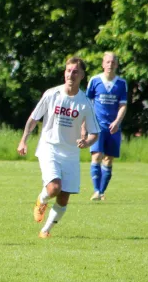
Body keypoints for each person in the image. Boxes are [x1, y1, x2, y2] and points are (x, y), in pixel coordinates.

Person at [17, 57, 100, 238]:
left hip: (70, 153)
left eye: (75, 71)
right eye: (68, 70)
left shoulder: (85, 103)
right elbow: (33, 118)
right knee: (54, 188)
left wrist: (87, 142)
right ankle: (42, 199)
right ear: (64, 72)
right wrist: (24, 140)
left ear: (82, 76)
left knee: (64, 197)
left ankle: (45, 231)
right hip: (49, 147)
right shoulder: (52, 94)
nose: (71, 74)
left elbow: (95, 133)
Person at [83, 52, 128, 201]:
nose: (110, 65)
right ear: (103, 64)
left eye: (113, 62)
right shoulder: (95, 80)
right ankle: (96, 190)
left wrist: (117, 121)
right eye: (107, 62)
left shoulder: (121, 83)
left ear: (116, 65)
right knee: (96, 155)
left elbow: (123, 105)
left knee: (108, 159)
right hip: (97, 126)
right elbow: (87, 104)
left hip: (114, 127)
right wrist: (84, 126)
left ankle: (101, 192)